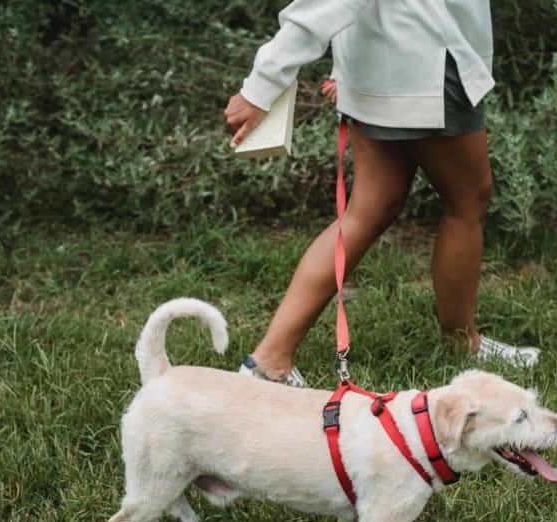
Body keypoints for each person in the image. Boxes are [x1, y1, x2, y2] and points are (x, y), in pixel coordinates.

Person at [224, 0, 540, 388]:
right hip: (425, 58)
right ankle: (463, 342)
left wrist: (344, 67)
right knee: (468, 197)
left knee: (371, 207)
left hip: (385, 62)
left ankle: (269, 361)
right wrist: (262, 87)